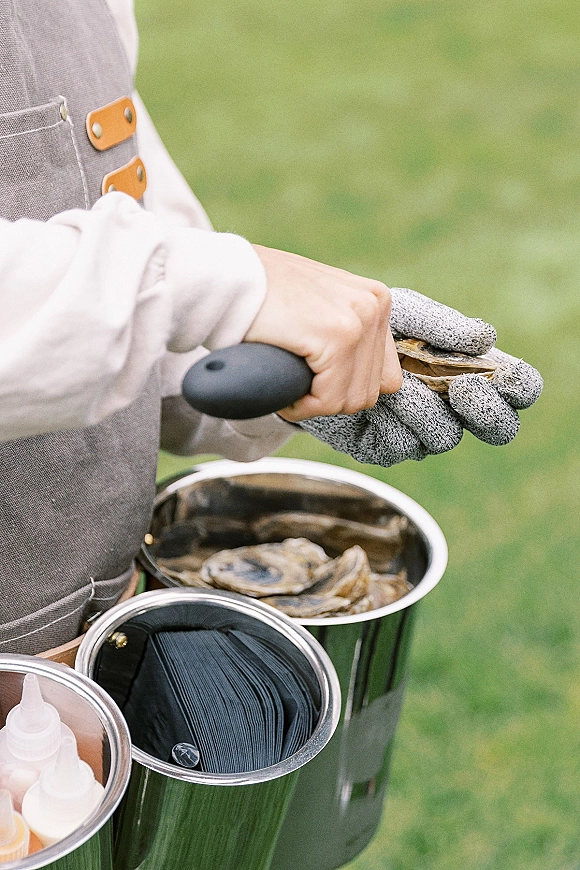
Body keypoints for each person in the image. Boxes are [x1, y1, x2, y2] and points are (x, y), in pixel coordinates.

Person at [0, 0, 541, 656]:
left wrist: (280, 362)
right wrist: (220, 290)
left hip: (95, 669)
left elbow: (105, 191)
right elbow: (187, 283)